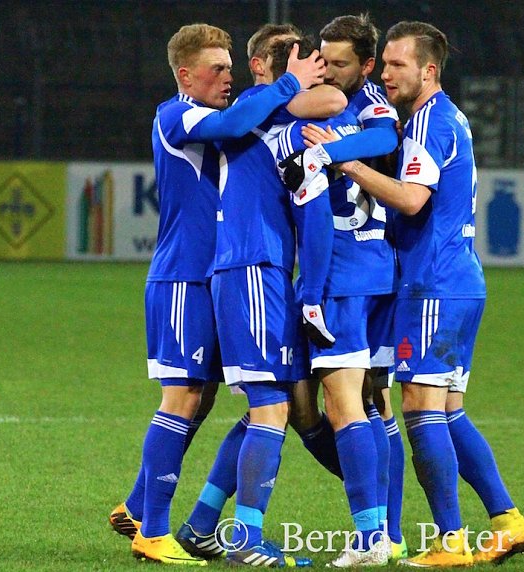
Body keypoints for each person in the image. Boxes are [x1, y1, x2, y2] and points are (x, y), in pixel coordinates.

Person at [280, 21, 524, 567]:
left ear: (429, 70)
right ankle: (507, 520)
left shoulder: (425, 124)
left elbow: (413, 200)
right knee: (449, 413)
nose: (391, 74)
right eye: (388, 63)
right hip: (459, 281)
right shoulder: (448, 118)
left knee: (418, 410)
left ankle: (450, 540)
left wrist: (341, 160)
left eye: (399, 65)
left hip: (433, 286)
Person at [111, 23, 327, 567]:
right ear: (185, 75)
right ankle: (153, 531)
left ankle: (138, 506)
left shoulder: (229, 120)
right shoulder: (176, 114)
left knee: (203, 400)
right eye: (216, 67)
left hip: (216, 276)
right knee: (182, 399)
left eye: (231, 66)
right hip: (183, 275)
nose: (226, 76)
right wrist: (285, 87)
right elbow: (236, 120)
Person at [275, 14, 404, 566]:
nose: (327, 69)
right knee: (375, 404)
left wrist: (332, 148)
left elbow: (383, 135)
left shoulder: (356, 105)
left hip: (346, 275)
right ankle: (387, 531)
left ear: (367, 65)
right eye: (322, 59)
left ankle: (372, 534)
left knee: (340, 400)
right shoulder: (337, 101)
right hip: (375, 273)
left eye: (341, 63)